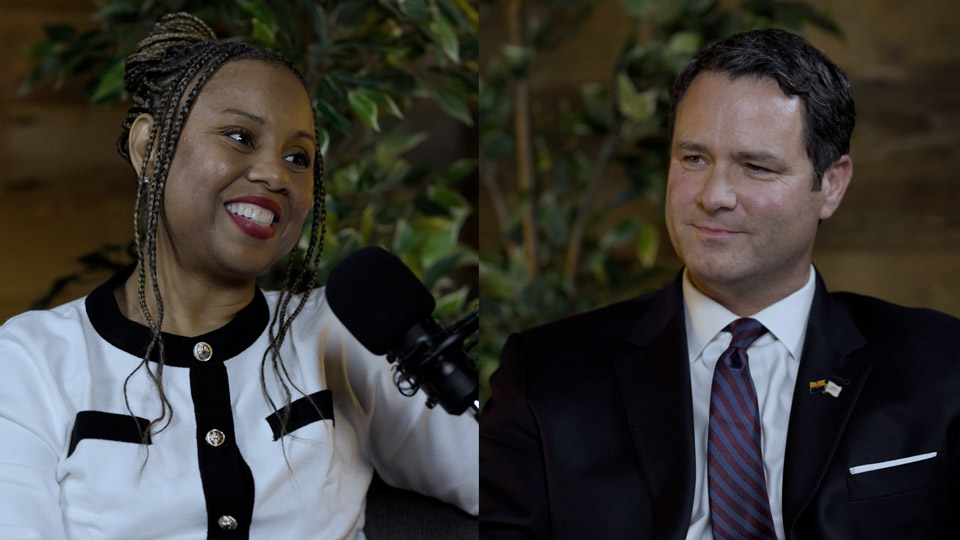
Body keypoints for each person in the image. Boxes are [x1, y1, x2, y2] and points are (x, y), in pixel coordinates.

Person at [0, 13, 477, 539]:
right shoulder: (31, 362)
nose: (276, 174)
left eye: (299, 157)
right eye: (239, 136)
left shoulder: (340, 335)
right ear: (149, 148)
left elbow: (503, 479)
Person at [480, 28, 960, 539]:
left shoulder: (940, 365)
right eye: (693, 159)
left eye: (755, 167)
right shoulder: (545, 375)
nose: (714, 196)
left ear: (832, 185)